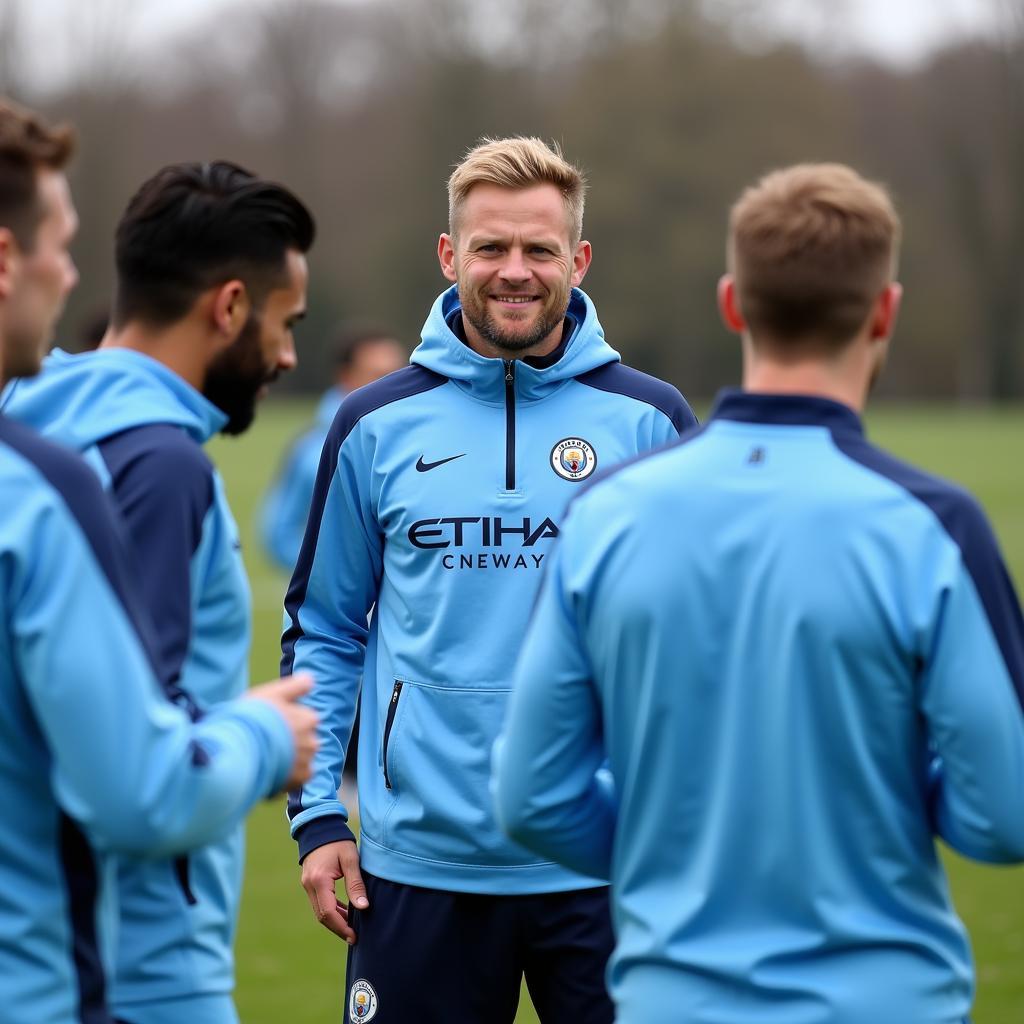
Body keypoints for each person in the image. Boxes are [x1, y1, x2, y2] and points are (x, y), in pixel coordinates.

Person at [493, 163, 1024, 1024]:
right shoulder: (935, 525)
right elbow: (1003, 815)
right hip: (889, 1002)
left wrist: (677, 839)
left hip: (673, 997)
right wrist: (883, 791)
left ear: (733, 303)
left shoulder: (604, 515)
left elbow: (530, 799)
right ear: (885, 310)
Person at [283, 135, 697, 1023]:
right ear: (450, 255)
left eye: (540, 249)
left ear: (577, 259)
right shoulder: (373, 424)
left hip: (607, 866)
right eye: (491, 247)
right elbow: (324, 629)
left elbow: (697, 644)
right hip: (417, 869)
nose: (516, 271)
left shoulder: (651, 421)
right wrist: (319, 819)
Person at [0, 101, 318, 1024]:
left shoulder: (37, 420)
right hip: (135, 968)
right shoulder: (156, 465)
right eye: (284, 321)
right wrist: (264, 737)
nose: (290, 353)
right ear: (228, 306)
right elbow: (140, 766)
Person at [261, 325, 406, 573]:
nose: (394, 385)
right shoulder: (314, 449)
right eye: (379, 374)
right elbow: (279, 534)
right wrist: (337, 575)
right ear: (346, 377)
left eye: (399, 374)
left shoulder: (420, 436)